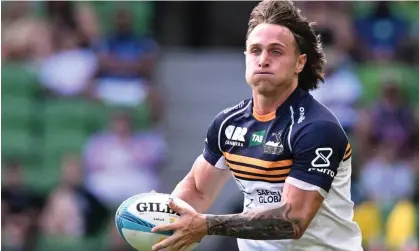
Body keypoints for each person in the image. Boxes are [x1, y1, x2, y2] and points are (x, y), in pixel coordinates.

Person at [151, 1, 362, 250]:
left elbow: (292, 221)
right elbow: (198, 190)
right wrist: (161, 217)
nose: (263, 60)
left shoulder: (317, 128)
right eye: (255, 50)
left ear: (299, 63)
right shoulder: (228, 124)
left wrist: (206, 225)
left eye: (276, 51)